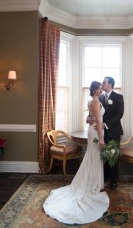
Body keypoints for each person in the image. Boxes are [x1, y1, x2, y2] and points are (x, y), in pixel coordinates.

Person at [43, 81, 109, 225]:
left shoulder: (92, 100)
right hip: (97, 133)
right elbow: (97, 121)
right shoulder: (95, 102)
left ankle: (94, 183)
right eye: (99, 88)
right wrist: (102, 138)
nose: (102, 89)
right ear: (95, 90)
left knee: (93, 157)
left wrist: (94, 122)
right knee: (94, 157)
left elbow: (91, 119)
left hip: (93, 131)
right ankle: (92, 184)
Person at [87, 76, 124, 190]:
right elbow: (93, 113)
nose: (102, 84)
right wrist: (88, 119)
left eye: (104, 82)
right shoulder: (100, 97)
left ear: (110, 84)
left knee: (113, 156)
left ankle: (113, 181)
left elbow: (119, 114)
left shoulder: (118, 97)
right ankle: (104, 178)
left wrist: (105, 124)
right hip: (100, 133)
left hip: (113, 131)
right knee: (103, 157)